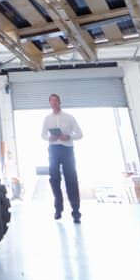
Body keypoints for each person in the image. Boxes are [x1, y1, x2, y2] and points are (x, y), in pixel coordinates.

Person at [41, 93, 83, 223]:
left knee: (71, 179)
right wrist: (50, 138)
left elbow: (80, 134)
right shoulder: (47, 119)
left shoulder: (69, 117)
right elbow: (43, 135)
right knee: (54, 178)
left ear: (59, 102)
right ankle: (58, 209)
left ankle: (76, 212)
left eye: (56, 101)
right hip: (53, 149)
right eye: (51, 101)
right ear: (50, 103)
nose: (54, 103)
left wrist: (69, 137)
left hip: (67, 150)